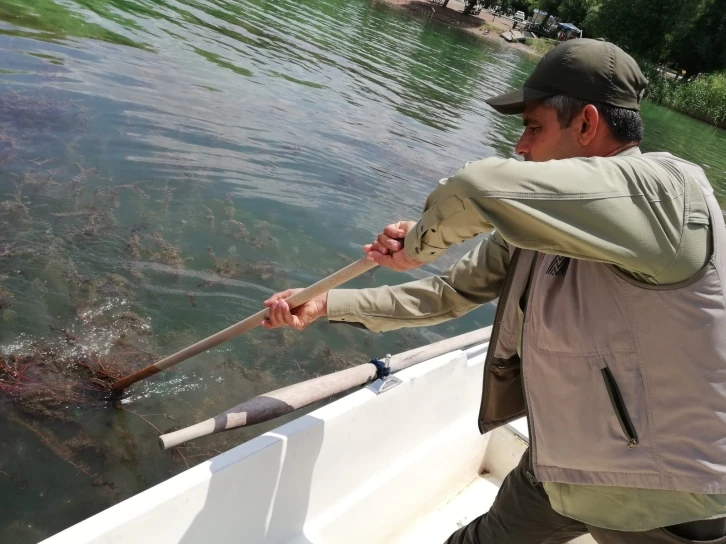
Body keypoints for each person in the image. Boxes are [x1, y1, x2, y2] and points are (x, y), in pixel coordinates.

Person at [261, 39, 726, 543]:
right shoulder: (538, 226)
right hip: (564, 462)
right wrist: (325, 304)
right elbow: (449, 293)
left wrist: (418, 245)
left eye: (533, 127)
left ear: (586, 124)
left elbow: (475, 189)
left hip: (667, 493)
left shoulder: (669, 195)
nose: (521, 147)